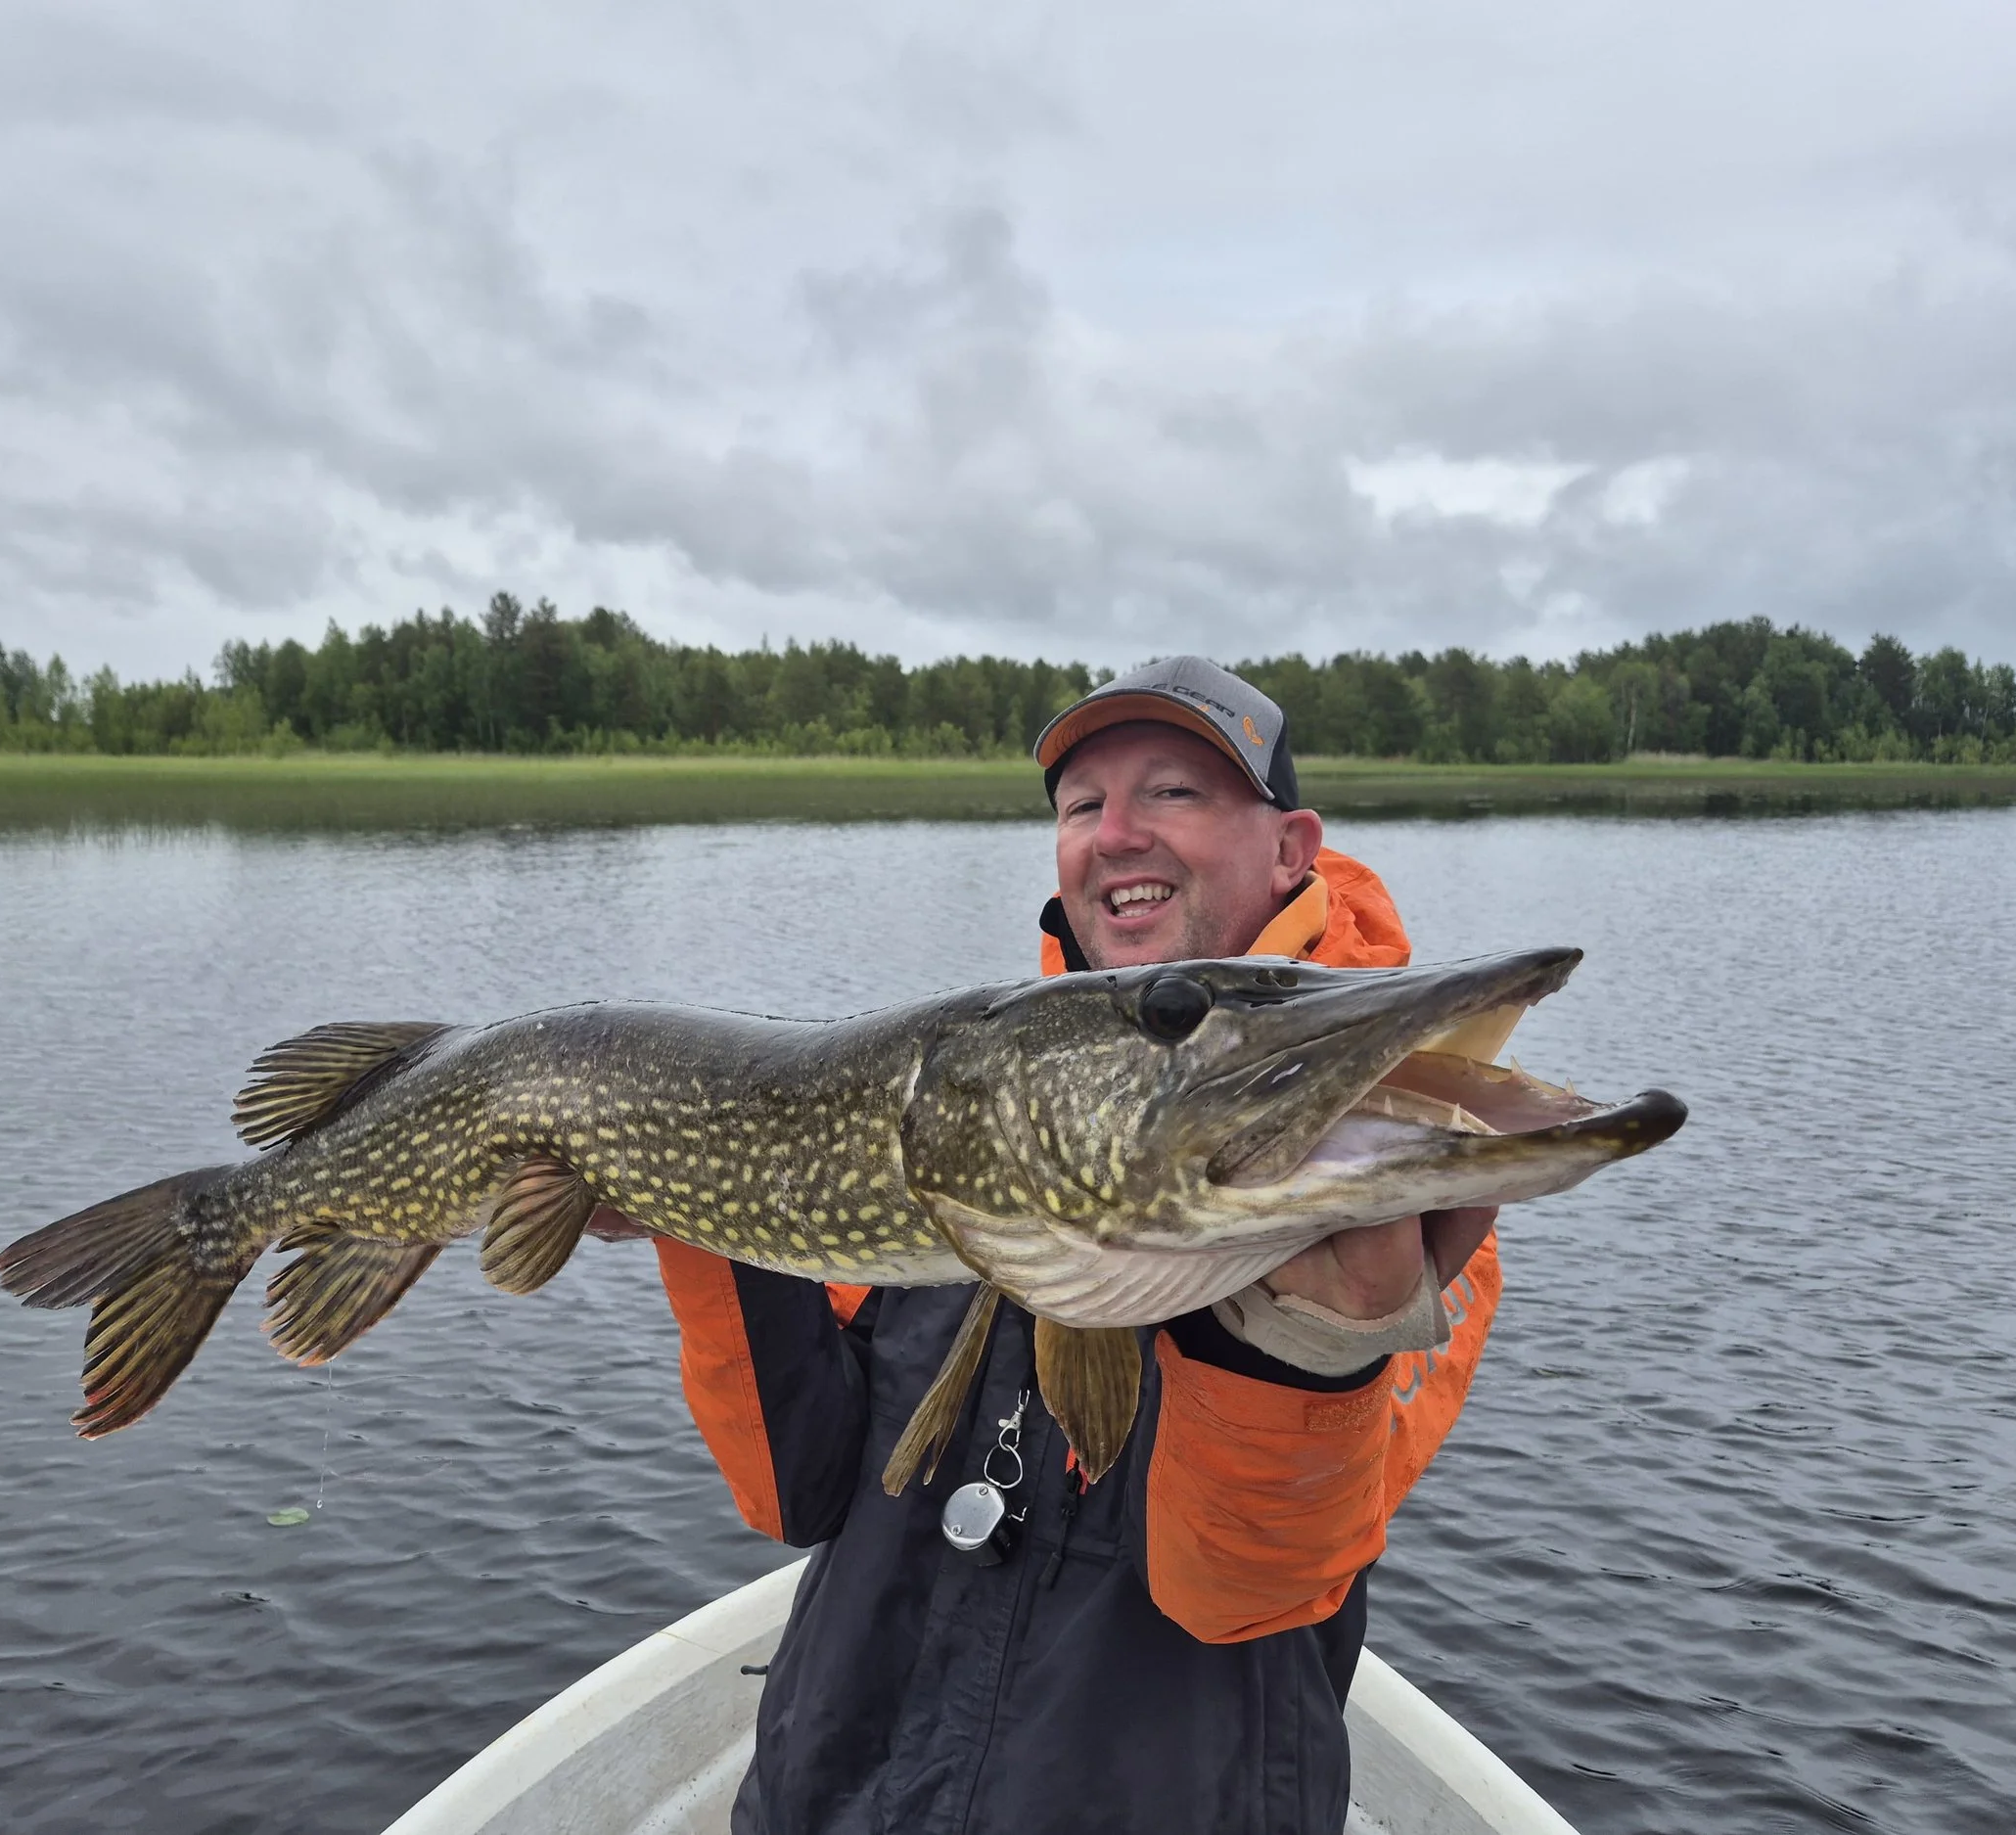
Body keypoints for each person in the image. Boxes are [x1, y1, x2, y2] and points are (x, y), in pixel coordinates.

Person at [634, 657, 1501, 1835]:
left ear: (1292, 847)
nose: (1116, 834)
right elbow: (796, 1484)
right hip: (834, 1791)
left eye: (1175, 794)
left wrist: (1310, 1346)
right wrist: (697, 1194)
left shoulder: (1399, 1210)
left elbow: (1244, 1587)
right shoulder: (953, 1095)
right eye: (1082, 805)